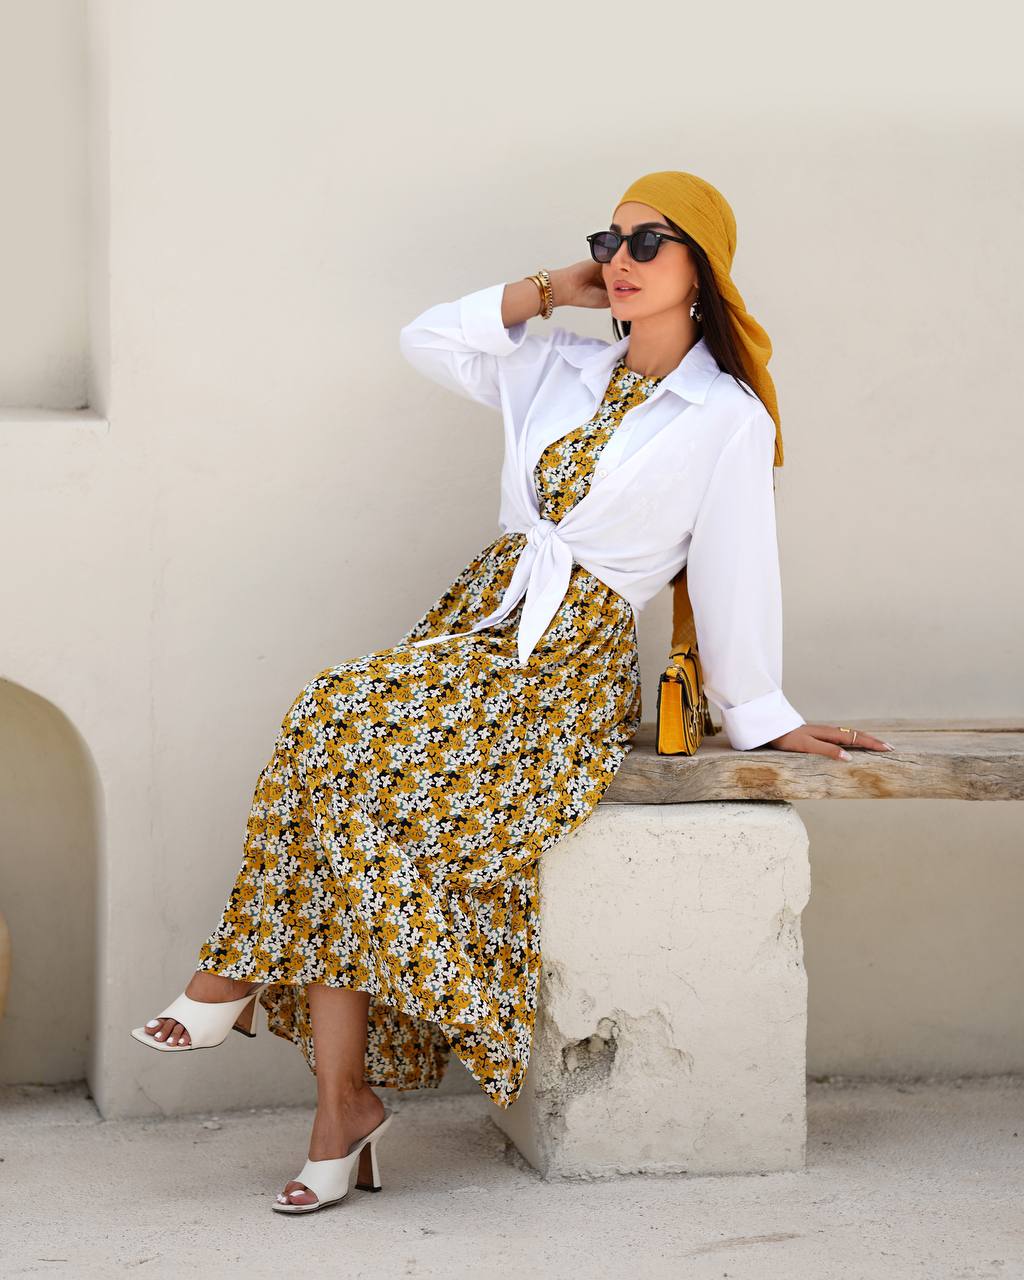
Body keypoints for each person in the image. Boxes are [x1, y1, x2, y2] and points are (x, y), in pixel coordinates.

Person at [130, 170, 893, 1215]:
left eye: (649, 243)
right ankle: (340, 1106)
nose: (620, 261)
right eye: (609, 241)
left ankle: (230, 978)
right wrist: (549, 288)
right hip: (481, 620)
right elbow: (429, 339)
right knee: (336, 778)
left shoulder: (727, 418)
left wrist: (765, 714)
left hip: (563, 668)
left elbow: (732, 574)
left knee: (330, 713)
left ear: (702, 265)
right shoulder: (561, 365)